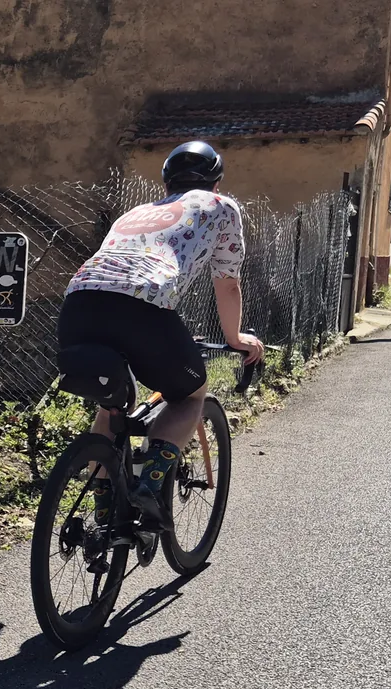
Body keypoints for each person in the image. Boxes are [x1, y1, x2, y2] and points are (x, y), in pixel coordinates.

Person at [58, 141, 264, 524]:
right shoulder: (221, 206)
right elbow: (228, 284)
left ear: (166, 183)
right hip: (142, 307)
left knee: (111, 406)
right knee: (190, 396)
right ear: (216, 183)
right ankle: (148, 487)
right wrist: (235, 339)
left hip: (78, 304)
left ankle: (103, 509)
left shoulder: (136, 212)